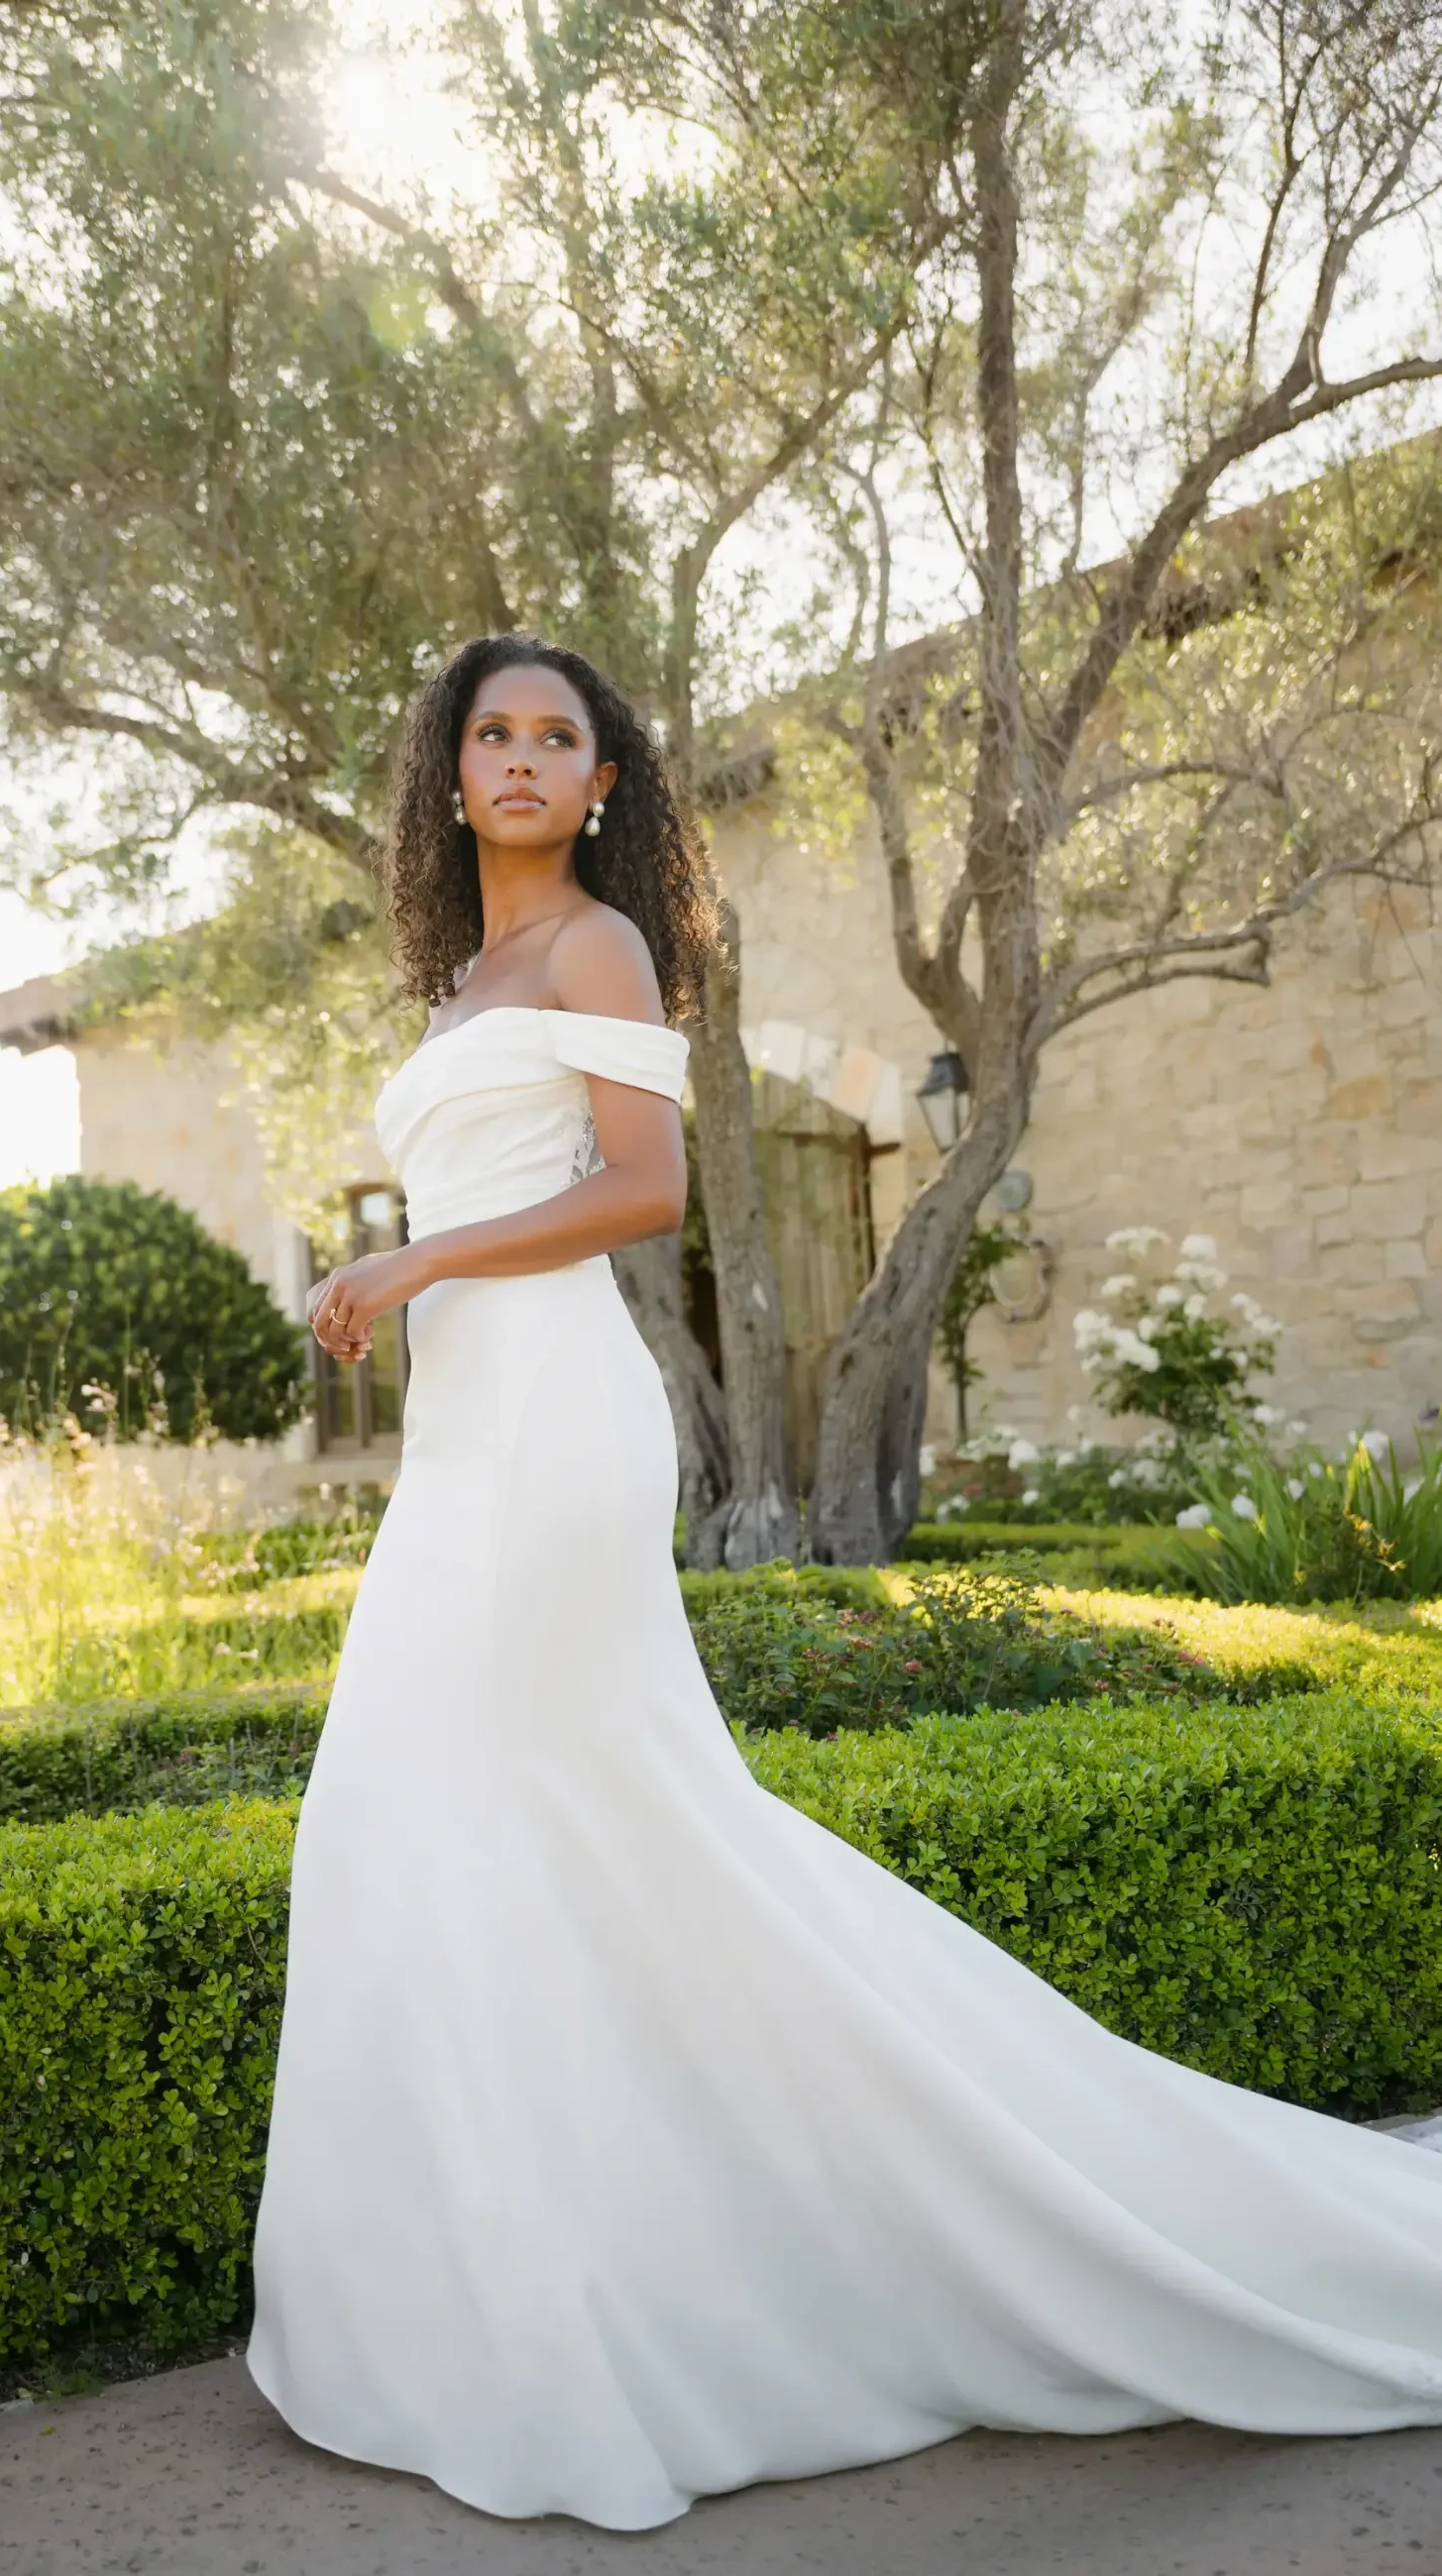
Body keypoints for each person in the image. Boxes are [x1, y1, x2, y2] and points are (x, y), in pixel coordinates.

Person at [247, 632, 1442, 2532]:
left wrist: (412, 1261)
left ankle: (610, 2293)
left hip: (553, 1429)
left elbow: (645, 1189)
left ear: (604, 784)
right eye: (493, 734)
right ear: (449, 776)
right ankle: (494, 2285)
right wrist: (405, 1285)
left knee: (514, 1810)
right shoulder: (463, 980)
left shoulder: (597, 949)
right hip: (470, 1435)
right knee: (433, 1820)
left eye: (559, 737)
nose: (525, 759)